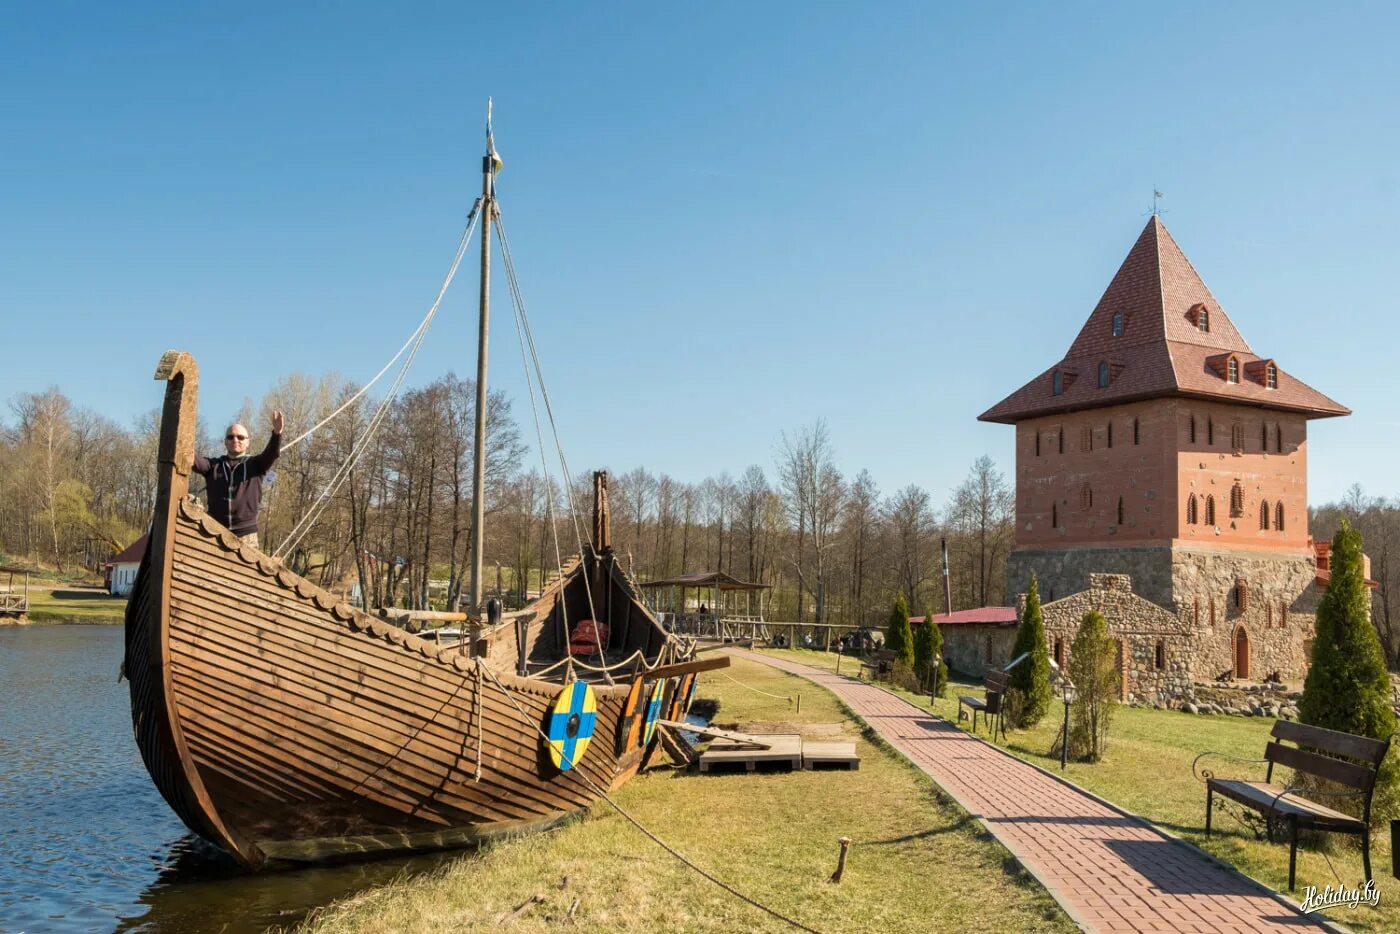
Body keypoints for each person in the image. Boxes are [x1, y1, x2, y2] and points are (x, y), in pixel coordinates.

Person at [193, 411, 284, 548]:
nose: (235, 440)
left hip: (246, 534)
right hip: (214, 531)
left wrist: (277, 434)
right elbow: (191, 458)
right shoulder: (214, 466)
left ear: (247, 442)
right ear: (225, 442)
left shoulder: (256, 465)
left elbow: (272, 453)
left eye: (240, 437)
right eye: (231, 437)